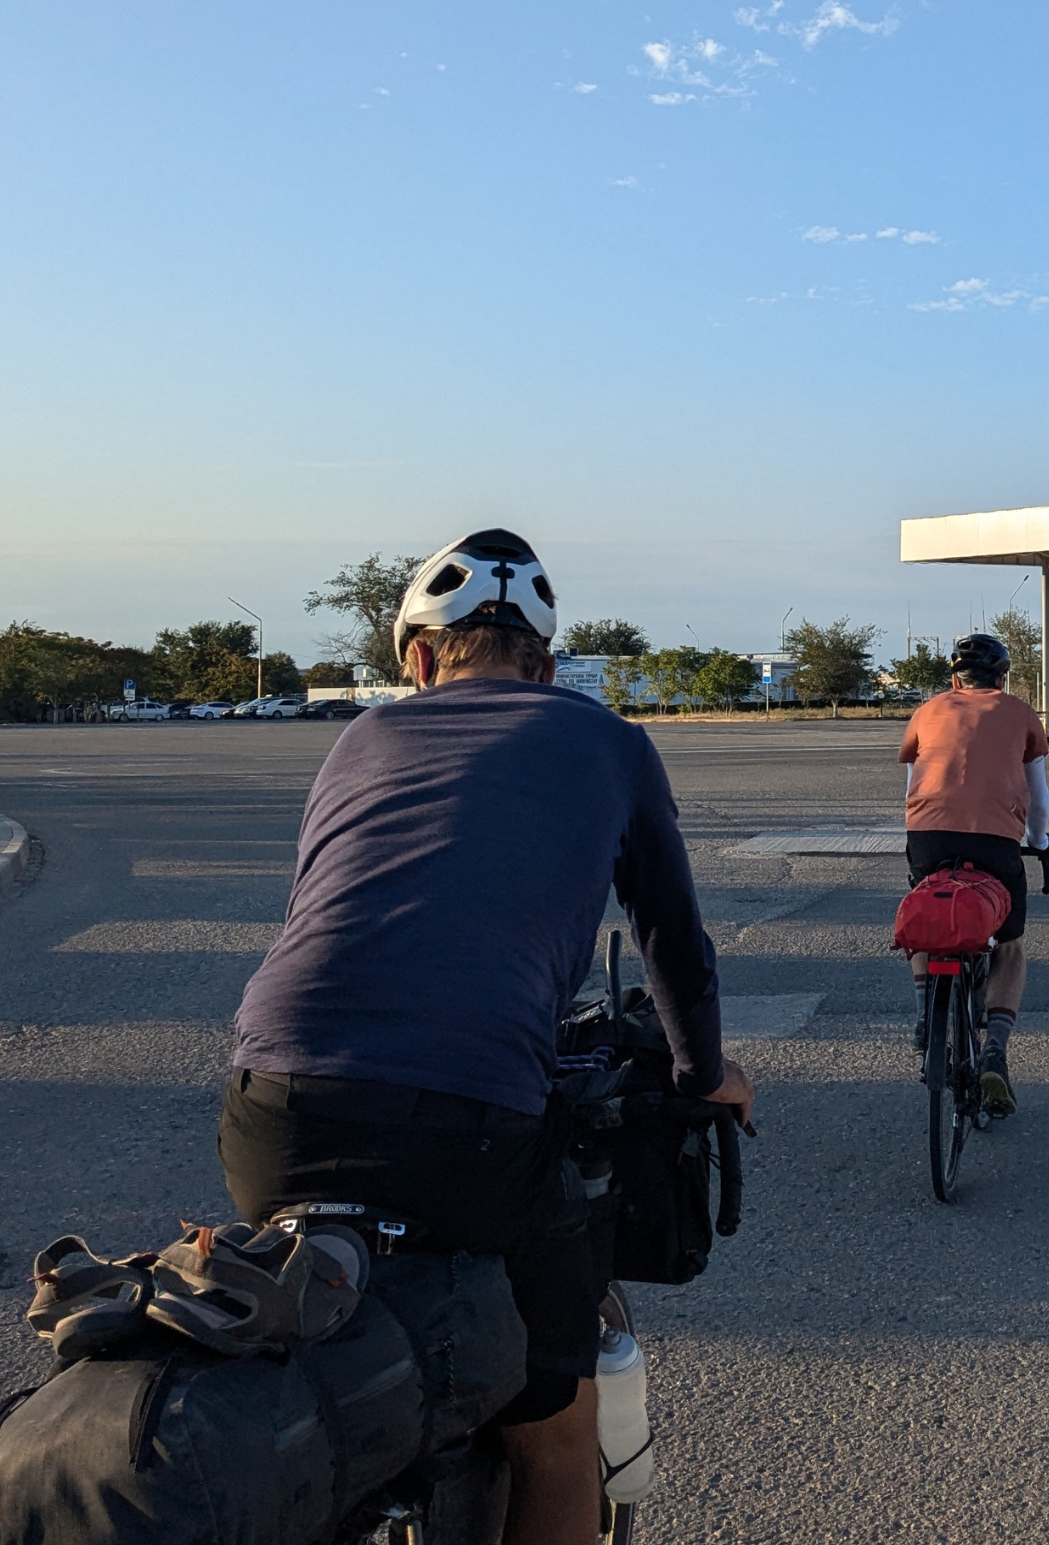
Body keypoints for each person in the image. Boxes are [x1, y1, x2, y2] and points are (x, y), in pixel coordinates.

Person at [218, 528, 752, 1545]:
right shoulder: (608, 740)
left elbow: (325, 908)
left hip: (270, 1107)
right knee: (553, 1431)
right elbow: (674, 942)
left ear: (418, 659)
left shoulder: (359, 739)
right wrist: (702, 1070)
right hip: (467, 1123)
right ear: (550, 670)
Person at [898, 631, 1049, 1118]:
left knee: (928, 922)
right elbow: (1038, 798)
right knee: (1008, 945)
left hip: (928, 836)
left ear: (953, 678)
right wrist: (1040, 842)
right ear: (1002, 678)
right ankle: (993, 1052)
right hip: (994, 842)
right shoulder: (1021, 713)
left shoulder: (926, 711)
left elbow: (912, 784)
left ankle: (927, 1017)